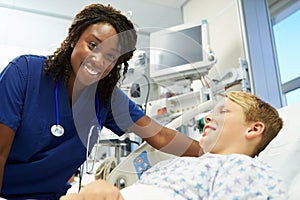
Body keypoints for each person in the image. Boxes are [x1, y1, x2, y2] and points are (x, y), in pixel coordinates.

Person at [0, 4, 203, 200]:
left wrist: (215, 155)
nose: (98, 60)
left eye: (110, 56)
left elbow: (160, 135)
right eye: (93, 45)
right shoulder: (24, 73)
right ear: (74, 38)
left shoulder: (106, 99)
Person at [60, 91, 287, 200]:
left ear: (253, 129)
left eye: (224, 111)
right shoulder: (176, 165)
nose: (207, 117)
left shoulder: (245, 169)